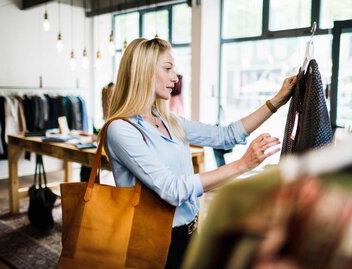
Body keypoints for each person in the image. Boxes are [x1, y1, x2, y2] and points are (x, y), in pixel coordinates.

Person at [103, 37, 297, 269]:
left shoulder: (169, 120)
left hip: (190, 232)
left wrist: (277, 101)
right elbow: (172, 189)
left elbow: (225, 135)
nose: (175, 77)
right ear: (144, 72)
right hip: (153, 241)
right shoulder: (121, 129)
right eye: (168, 68)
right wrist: (242, 164)